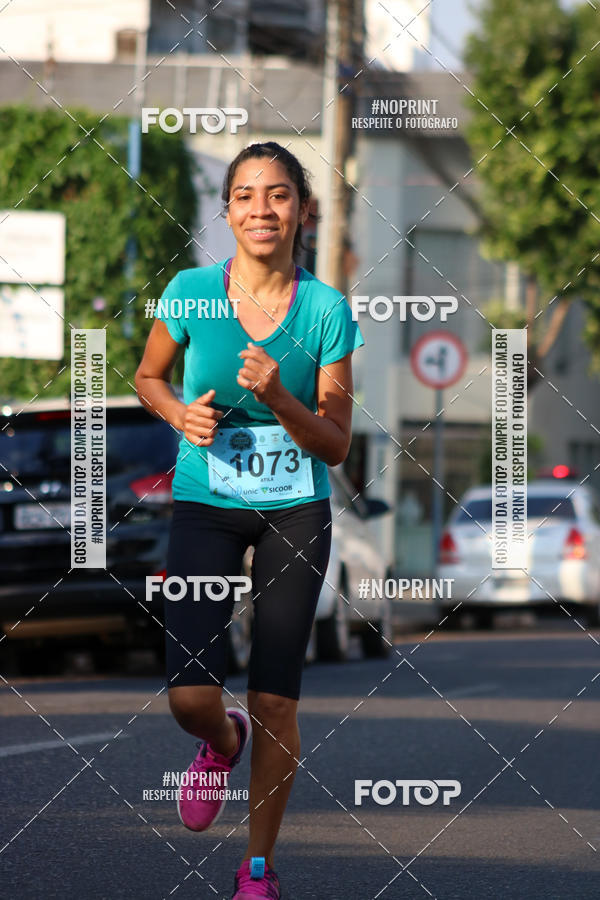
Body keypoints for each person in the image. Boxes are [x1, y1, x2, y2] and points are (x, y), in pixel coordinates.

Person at [135, 140, 364, 899]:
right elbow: (148, 374)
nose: (261, 209)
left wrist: (279, 396)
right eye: (245, 195)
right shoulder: (192, 292)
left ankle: (256, 868)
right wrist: (178, 415)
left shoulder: (327, 310)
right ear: (227, 210)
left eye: (277, 195)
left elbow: (334, 442)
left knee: (276, 696)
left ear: (301, 209)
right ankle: (219, 740)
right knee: (190, 696)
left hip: (295, 511)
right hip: (207, 502)